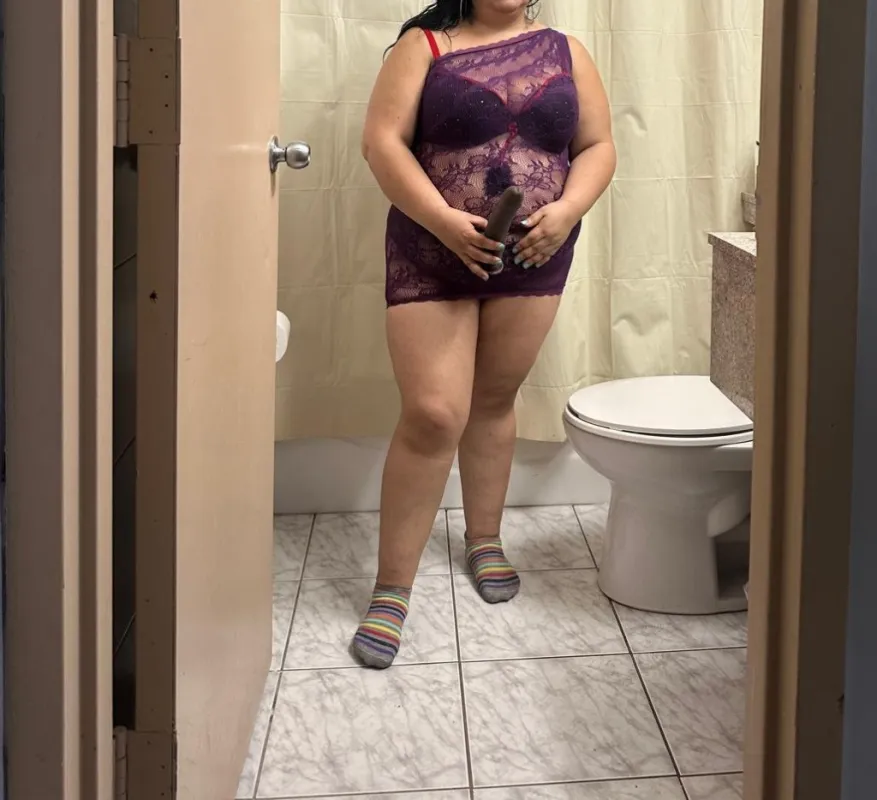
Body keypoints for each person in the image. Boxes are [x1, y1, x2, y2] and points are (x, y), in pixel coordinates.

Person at [352, 0, 616, 668]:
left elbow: (597, 146)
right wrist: (443, 221)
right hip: (431, 249)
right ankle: (392, 588)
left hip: (534, 253)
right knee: (434, 414)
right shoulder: (424, 46)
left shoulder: (567, 50)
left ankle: (484, 538)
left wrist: (568, 210)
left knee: (494, 399)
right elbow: (381, 143)